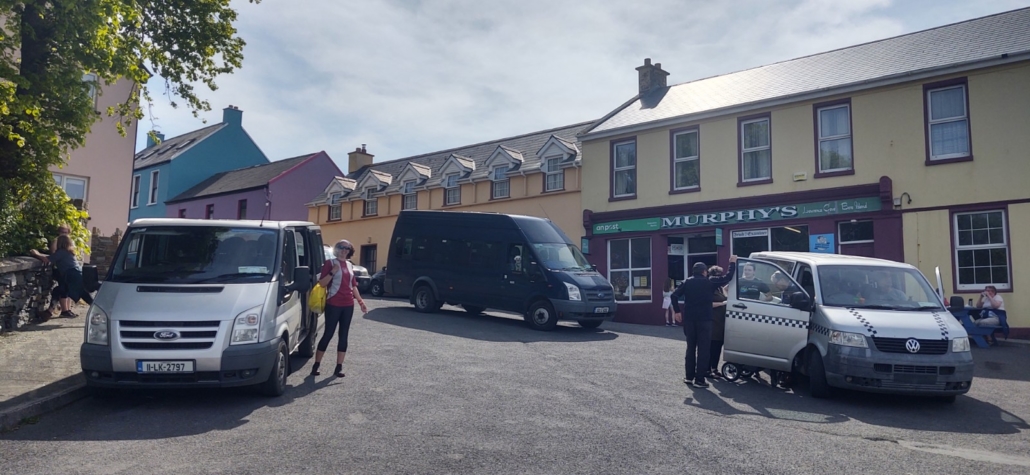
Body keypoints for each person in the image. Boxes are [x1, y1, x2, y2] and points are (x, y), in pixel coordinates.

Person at [671, 256, 737, 389]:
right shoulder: (710, 282)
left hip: (690, 319)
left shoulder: (687, 282)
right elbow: (728, 277)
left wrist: (677, 311)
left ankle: (689, 377)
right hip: (705, 320)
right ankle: (700, 379)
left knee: (690, 348)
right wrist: (732, 263)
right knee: (703, 350)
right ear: (704, 272)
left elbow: (674, 295)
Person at [311, 239, 369, 378]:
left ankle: (338, 367)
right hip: (333, 304)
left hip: (348, 304)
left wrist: (361, 302)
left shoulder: (349, 265)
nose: (344, 250)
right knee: (328, 334)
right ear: (337, 249)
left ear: (350, 251)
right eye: (342, 247)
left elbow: (353, 285)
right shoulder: (330, 263)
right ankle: (316, 365)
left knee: (343, 336)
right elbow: (322, 283)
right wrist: (332, 272)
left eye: (347, 248)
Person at [29, 234, 93, 317]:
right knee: (60, 290)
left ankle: (102, 310)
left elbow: (46, 259)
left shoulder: (61, 252)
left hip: (72, 276)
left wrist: (35, 253)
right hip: (77, 275)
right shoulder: (68, 252)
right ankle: (49, 312)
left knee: (84, 295)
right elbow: (52, 257)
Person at [708, 266, 729, 379]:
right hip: (713, 322)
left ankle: (714, 369)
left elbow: (725, 292)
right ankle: (708, 369)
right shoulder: (710, 288)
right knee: (712, 347)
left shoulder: (720, 288)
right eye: (717, 274)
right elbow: (707, 304)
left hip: (721, 323)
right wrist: (722, 303)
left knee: (717, 347)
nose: (720, 277)